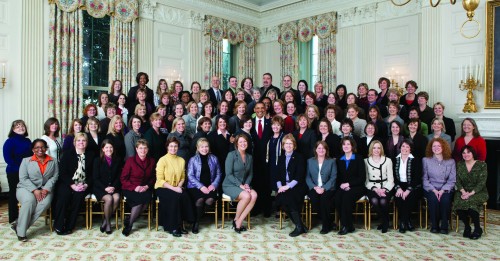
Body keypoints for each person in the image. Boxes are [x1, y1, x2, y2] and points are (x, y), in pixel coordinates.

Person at [13, 139, 59, 241]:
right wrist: (34, 190)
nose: (40, 149)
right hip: (25, 188)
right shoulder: (26, 161)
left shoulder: (53, 160)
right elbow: (23, 178)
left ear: (46, 148)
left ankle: (19, 225)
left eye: (42, 147)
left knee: (44, 203)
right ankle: (21, 233)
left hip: (45, 189)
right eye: (37, 147)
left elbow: (54, 177)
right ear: (33, 149)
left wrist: (46, 189)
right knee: (30, 201)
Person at [54, 133, 94, 235]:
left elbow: (94, 174)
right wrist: (72, 185)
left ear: (87, 142)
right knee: (64, 196)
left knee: (78, 197)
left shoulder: (91, 155)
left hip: (83, 184)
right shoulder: (67, 154)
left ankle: (69, 226)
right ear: (74, 142)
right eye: (79, 140)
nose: (81, 143)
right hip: (67, 183)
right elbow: (62, 173)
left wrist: (86, 185)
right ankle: (58, 225)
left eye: (83, 140)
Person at [155, 137, 195, 236]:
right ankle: (172, 227)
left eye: (175, 146)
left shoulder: (181, 160)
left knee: (185, 196)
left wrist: (179, 186)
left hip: (177, 186)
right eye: (171, 146)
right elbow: (160, 179)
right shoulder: (162, 160)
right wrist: (174, 189)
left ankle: (181, 224)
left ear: (178, 147)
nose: (173, 148)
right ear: (167, 147)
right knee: (174, 198)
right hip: (163, 187)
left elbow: (182, 176)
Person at [120, 139, 155, 236]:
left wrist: (147, 186)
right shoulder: (130, 160)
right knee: (139, 203)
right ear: (136, 149)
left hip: (145, 188)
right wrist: (135, 187)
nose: (143, 150)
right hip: (130, 187)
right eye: (140, 148)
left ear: (147, 149)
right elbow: (123, 178)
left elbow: (153, 177)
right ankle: (129, 225)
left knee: (146, 201)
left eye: (145, 148)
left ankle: (129, 219)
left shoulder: (151, 161)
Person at [186, 138, 222, 234]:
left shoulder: (214, 158)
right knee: (200, 199)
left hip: (210, 185)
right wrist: (201, 187)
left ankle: (195, 218)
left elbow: (219, 173)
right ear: (198, 148)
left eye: (206, 146)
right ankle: (196, 223)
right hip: (195, 186)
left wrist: (214, 184)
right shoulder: (192, 159)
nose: (204, 149)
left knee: (209, 200)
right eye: (202, 147)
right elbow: (190, 175)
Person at [275, 134, 308, 237]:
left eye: (291, 143)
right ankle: (300, 225)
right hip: (284, 187)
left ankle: (299, 227)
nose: (288, 145)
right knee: (281, 200)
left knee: (289, 198)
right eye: (286, 143)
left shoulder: (299, 157)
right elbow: (277, 175)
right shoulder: (280, 158)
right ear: (283, 145)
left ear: (294, 145)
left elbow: (299, 176)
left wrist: (287, 187)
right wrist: (280, 186)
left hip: (297, 186)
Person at [223, 134, 257, 233]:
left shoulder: (249, 157)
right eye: (240, 142)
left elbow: (250, 174)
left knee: (254, 195)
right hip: (230, 184)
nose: (243, 143)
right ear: (237, 144)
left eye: (245, 141)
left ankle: (238, 221)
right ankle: (236, 220)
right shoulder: (231, 155)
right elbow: (228, 174)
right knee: (246, 196)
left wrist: (246, 184)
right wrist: (241, 185)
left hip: (243, 184)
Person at [453, 146, 488, 240]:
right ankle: (467, 227)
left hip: (478, 192)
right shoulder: (459, 164)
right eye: (463, 153)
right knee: (458, 203)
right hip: (462, 191)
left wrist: (470, 193)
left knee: (471, 204)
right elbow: (457, 180)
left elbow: (482, 182)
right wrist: (463, 192)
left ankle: (477, 228)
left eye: (468, 152)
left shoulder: (482, 165)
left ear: (473, 153)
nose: (466, 155)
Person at [423, 138, 456, 234]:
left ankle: (444, 225)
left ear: (443, 147)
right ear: (431, 148)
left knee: (445, 200)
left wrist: (442, 190)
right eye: (434, 146)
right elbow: (424, 178)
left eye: (439, 146)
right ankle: (434, 225)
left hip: (445, 187)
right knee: (433, 200)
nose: (436, 148)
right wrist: (433, 190)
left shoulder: (451, 161)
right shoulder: (426, 160)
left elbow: (452, 180)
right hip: (430, 187)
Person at [3, 120, 32, 224]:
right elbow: (8, 159)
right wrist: (21, 169)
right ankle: (13, 219)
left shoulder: (28, 141)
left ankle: (25, 217)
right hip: (14, 172)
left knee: (27, 194)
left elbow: (31, 157)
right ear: (13, 129)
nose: (21, 128)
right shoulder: (10, 141)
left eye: (22, 126)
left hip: (27, 172)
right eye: (17, 127)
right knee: (13, 194)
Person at [336, 137, 366, 235]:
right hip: (343, 186)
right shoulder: (339, 159)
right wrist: (342, 185)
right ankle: (349, 225)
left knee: (346, 197)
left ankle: (345, 225)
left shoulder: (359, 158)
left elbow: (362, 178)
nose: (346, 146)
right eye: (344, 144)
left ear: (352, 146)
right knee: (337, 198)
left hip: (357, 187)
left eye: (348, 144)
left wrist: (349, 185)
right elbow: (338, 176)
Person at [306, 141, 337, 234]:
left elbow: (333, 177)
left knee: (324, 200)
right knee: (315, 200)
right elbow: (307, 176)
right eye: (319, 148)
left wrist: (323, 188)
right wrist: (315, 187)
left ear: (326, 150)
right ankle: (330, 221)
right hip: (314, 187)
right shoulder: (310, 161)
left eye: (323, 148)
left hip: (328, 188)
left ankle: (325, 226)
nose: (321, 150)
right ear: (315, 149)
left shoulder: (331, 161)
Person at [92, 139, 122, 234]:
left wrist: (113, 186)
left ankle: (105, 220)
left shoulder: (118, 160)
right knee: (109, 199)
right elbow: (95, 178)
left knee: (116, 198)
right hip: (101, 187)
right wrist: (105, 188)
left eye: (111, 147)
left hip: (114, 186)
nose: (109, 149)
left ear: (113, 149)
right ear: (103, 149)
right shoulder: (97, 160)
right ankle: (108, 224)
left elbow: (119, 176)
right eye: (107, 147)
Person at [364, 140, 394, 233]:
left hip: (385, 186)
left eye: (378, 148)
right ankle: (385, 220)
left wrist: (384, 189)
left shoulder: (388, 160)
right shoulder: (366, 161)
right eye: (374, 148)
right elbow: (366, 180)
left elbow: (391, 179)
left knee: (383, 201)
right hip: (372, 187)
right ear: (371, 149)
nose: (376, 150)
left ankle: (384, 222)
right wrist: (375, 189)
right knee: (374, 200)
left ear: (381, 149)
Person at [394, 139, 422, 233]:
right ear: (400, 147)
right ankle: (407, 221)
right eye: (403, 146)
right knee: (399, 198)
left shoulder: (416, 160)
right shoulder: (395, 159)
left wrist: (408, 190)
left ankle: (403, 221)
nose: (404, 148)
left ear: (410, 149)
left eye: (407, 147)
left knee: (409, 198)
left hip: (413, 186)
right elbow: (393, 176)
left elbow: (417, 177)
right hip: (399, 185)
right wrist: (398, 188)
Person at [266, 116, 285, 193]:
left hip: (281, 166)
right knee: (273, 187)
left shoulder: (284, 137)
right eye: (274, 124)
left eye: (278, 125)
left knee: (280, 187)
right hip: (271, 166)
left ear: (281, 127)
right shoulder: (270, 138)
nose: (275, 127)